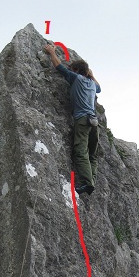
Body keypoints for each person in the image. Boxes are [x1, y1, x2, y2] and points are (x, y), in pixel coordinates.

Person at [44, 43, 101, 195]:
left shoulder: (76, 78)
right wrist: (91, 74)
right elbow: (100, 88)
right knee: (92, 155)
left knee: (81, 151)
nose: (70, 71)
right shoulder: (92, 84)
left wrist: (52, 52)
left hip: (82, 120)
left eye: (72, 69)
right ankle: (91, 180)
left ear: (76, 71)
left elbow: (59, 67)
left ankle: (87, 183)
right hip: (94, 122)